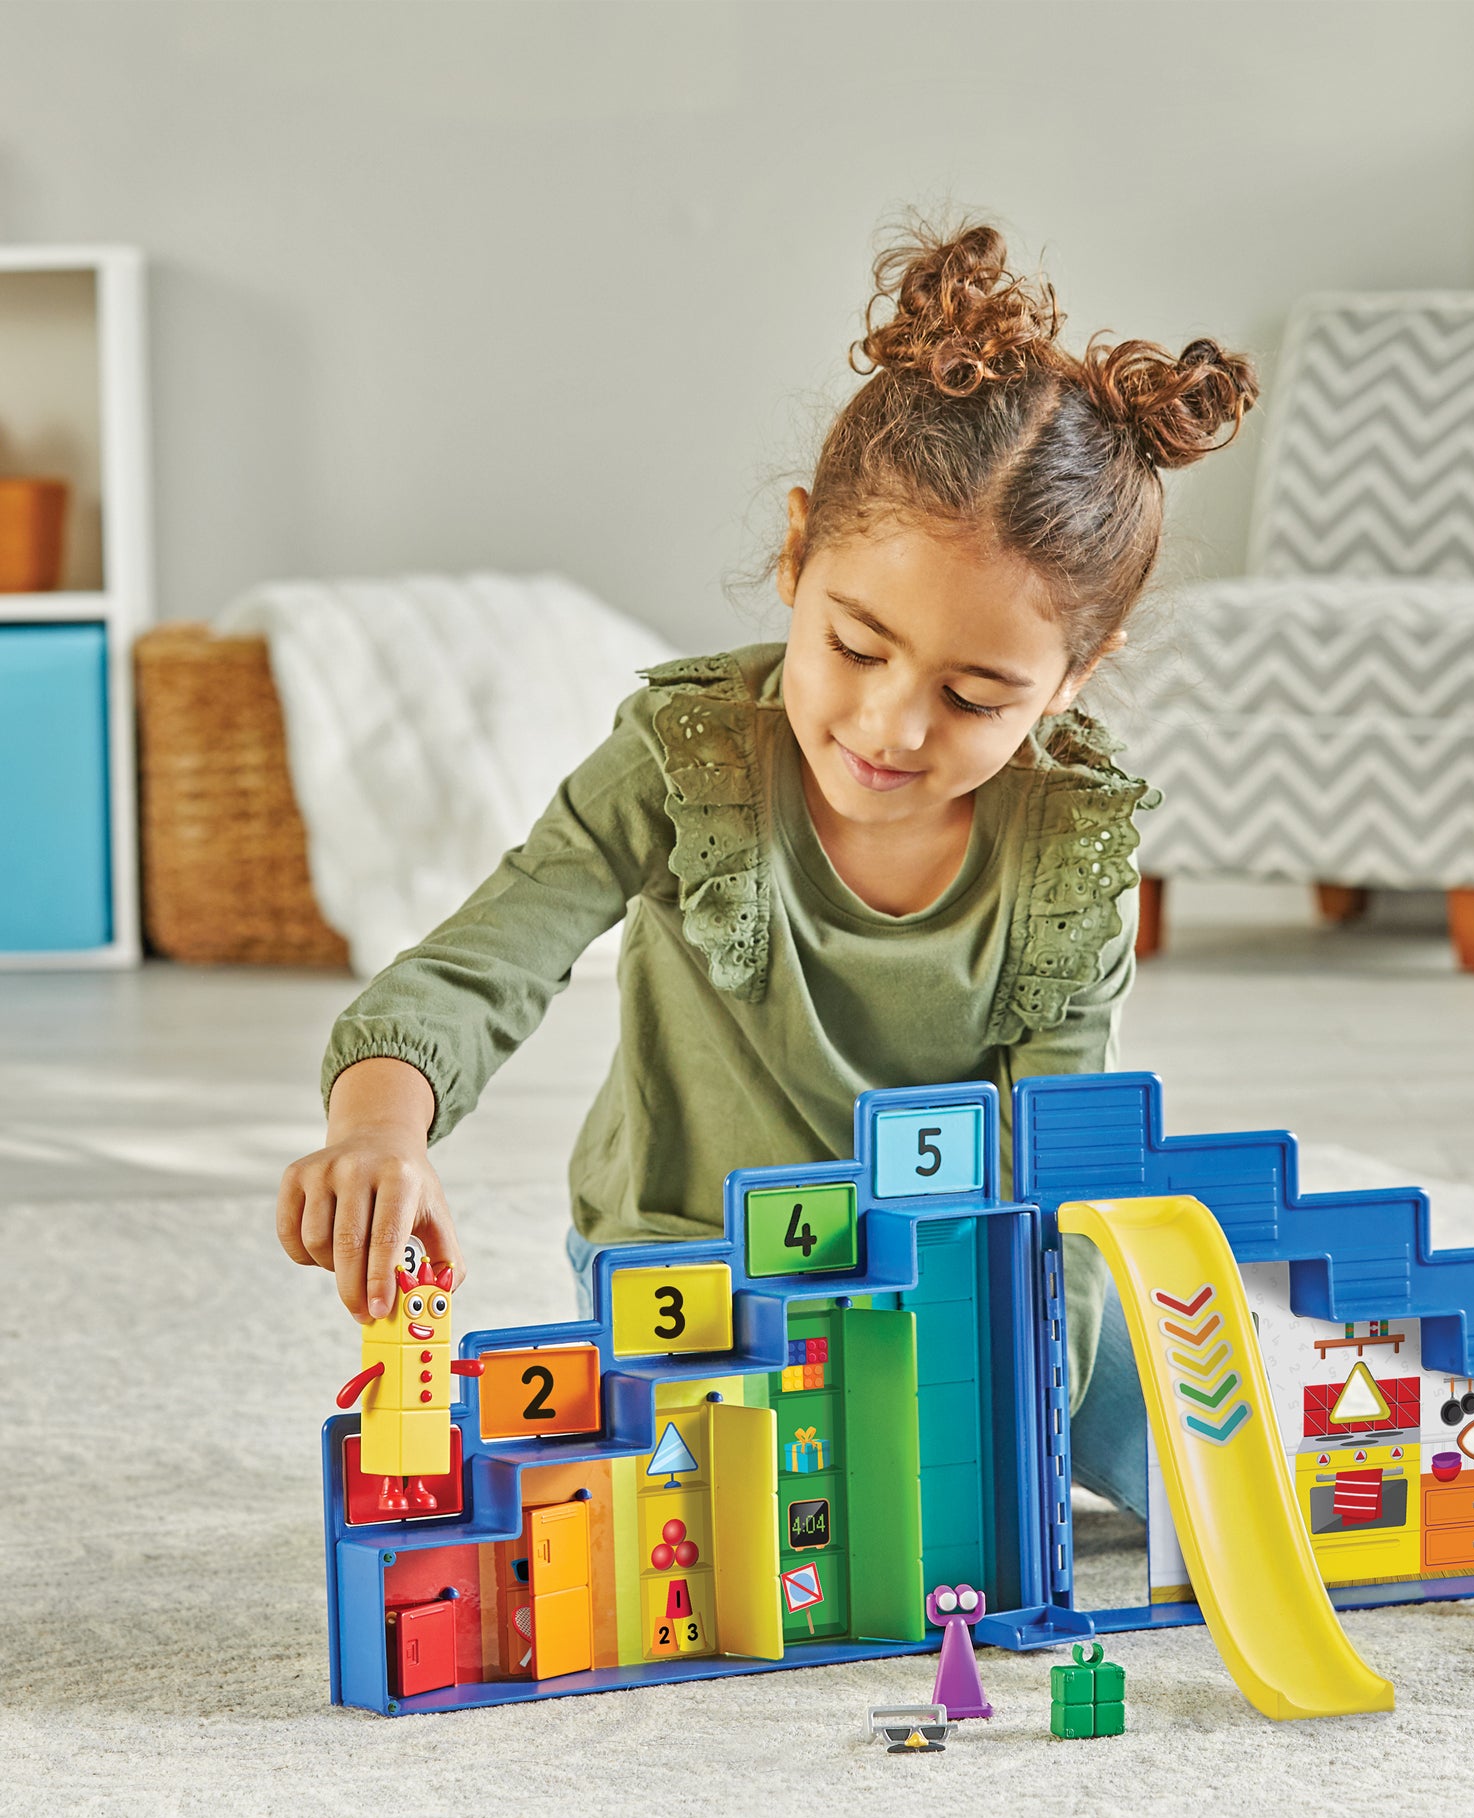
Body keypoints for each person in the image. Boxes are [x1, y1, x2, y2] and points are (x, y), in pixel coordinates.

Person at [275, 219, 1257, 1518]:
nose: (892, 726)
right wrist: (377, 1131)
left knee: (1211, 1439)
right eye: (855, 646)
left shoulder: (1068, 849)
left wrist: (1036, 1376)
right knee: (750, 1519)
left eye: (973, 695)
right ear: (798, 556)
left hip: (950, 1277)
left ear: (1074, 677)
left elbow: (1058, 1155)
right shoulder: (686, 762)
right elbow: (481, 964)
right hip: (693, 1267)